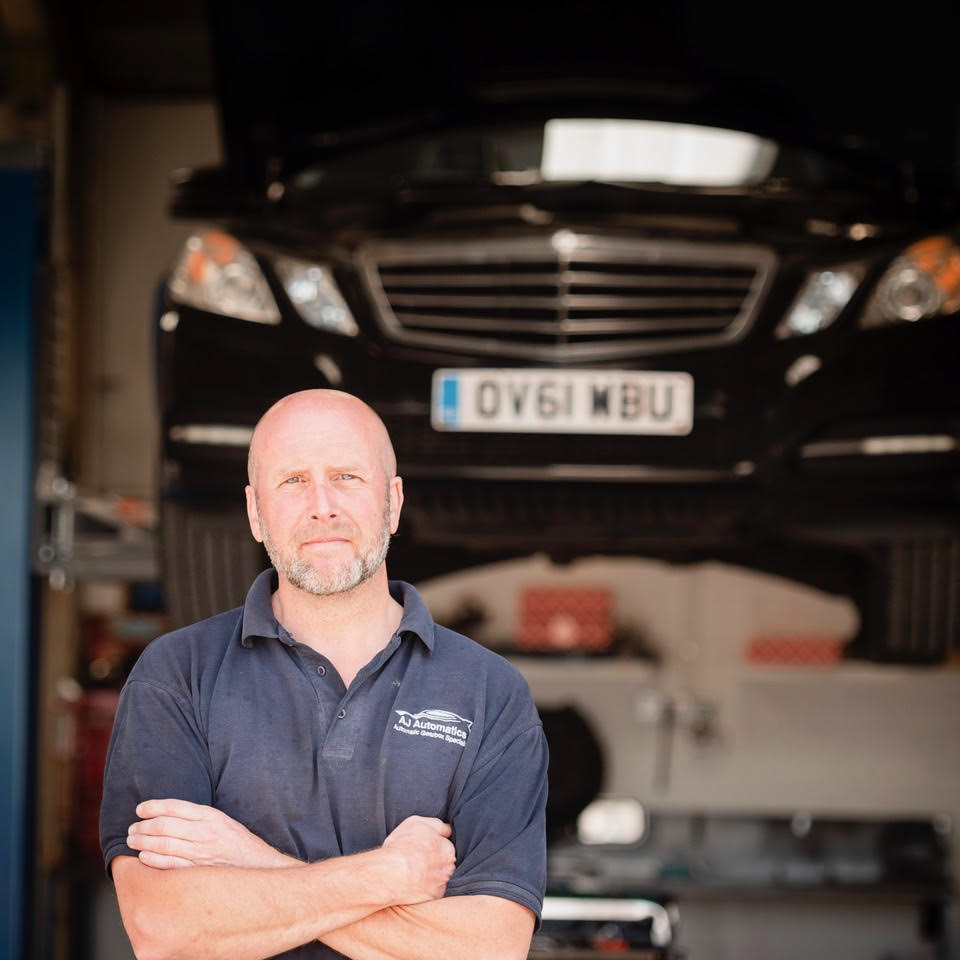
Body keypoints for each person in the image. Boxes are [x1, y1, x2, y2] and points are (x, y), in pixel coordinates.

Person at [99, 389, 548, 960]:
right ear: (255, 512)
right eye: (292, 482)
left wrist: (252, 861)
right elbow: (164, 928)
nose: (323, 506)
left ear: (393, 501)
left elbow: (490, 948)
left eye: (347, 477)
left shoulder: (490, 693)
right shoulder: (177, 675)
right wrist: (388, 874)